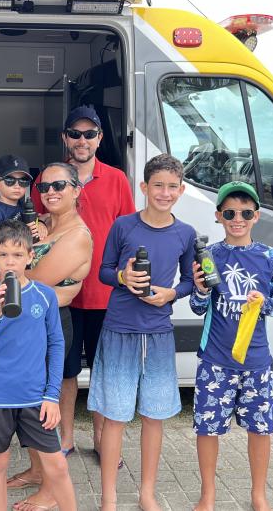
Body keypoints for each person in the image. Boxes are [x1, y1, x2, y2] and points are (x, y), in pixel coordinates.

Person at [28, 106, 135, 476]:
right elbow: (37, 227)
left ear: (100, 138)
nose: (82, 140)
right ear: (65, 138)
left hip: (107, 295)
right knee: (66, 372)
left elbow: (129, 233)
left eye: (90, 134)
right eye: (75, 133)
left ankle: (104, 441)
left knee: (104, 371)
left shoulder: (117, 178)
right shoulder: (49, 178)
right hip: (62, 296)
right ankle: (67, 438)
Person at [88, 154, 195, 511]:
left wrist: (171, 294)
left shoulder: (185, 233)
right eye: (158, 186)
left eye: (172, 187)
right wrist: (122, 277)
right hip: (119, 329)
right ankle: (109, 497)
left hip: (160, 334)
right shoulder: (124, 226)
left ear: (181, 190)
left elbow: (190, 281)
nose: (164, 193)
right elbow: (103, 271)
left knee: (153, 416)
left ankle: (147, 493)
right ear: (144, 187)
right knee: (116, 416)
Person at [189, 181, 273, 511]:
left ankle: (258, 494)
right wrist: (201, 290)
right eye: (230, 212)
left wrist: (265, 304)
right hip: (215, 360)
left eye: (246, 213)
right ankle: (208, 494)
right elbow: (197, 307)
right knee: (207, 428)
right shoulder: (210, 255)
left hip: (257, 361)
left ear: (256, 216)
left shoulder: (271, 257)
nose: (238, 219)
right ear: (219, 216)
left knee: (260, 430)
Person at [0, 220, 76, 511]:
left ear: (31, 256)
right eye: (3, 255)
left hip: (35, 398)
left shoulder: (44, 295)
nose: (10, 262)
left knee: (57, 466)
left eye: (17, 255)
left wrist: (52, 395)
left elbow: (56, 346)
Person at [12, 162, 92, 511]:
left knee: (43, 410)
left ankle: (50, 491)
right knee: (27, 405)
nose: (51, 193)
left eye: (60, 185)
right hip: (30, 321)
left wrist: (12, 270)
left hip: (52, 324)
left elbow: (36, 281)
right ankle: (35, 470)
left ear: (77, 189)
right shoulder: (42, 225)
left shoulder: (76, 236)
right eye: (44, 187)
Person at [0, 154, 44, 252]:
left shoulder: (24, 207)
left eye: (23, 181)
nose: (17, 185)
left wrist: (40, 224)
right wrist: (22, 233)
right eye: (10, 180)